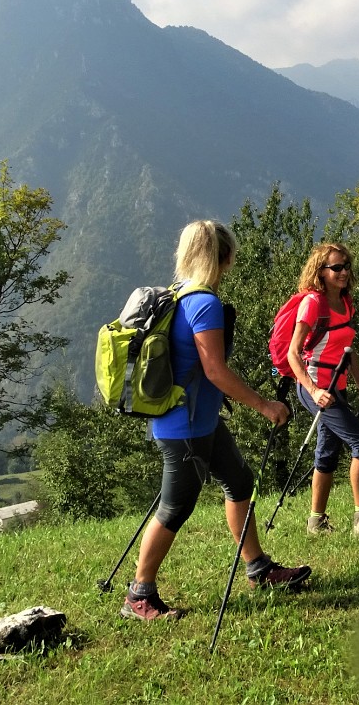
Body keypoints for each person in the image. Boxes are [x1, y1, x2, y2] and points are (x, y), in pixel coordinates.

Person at [124, 219, 312, 621]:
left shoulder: (177, 295)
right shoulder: (205, 303)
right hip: (186, 428)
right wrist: (265, 405)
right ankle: (139, 595)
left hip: (197, 420)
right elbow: (216, 372)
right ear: (223, 257)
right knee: (176, 507)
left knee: (239, 482)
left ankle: (259, 568)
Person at [287, 242, 359, 540]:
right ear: (320, 272)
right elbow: (293, 354)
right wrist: (312, 391)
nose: (344, 272)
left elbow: (348, 351)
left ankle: (316, 522)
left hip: (338, 386)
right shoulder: (313, 303)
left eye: (346, 266)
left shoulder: (346, 302)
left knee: (328, 451)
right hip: (315, 387)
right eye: (336, 267)